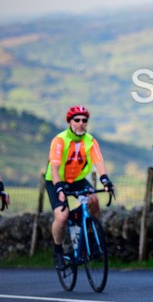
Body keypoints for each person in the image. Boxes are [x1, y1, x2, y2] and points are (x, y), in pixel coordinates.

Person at [45, 106, 115, 270]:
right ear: (69, 122)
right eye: (77, 120)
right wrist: (59, 189)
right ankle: (58, 251)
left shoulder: (90, 140)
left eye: (84, 120)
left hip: (77, 179)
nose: (81, 123)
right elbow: (54, 168)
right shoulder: (60, 140)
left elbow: (99, 162)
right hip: (56, 181)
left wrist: (105, 180)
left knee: (94, 200)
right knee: (62, 217)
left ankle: (91, 237)